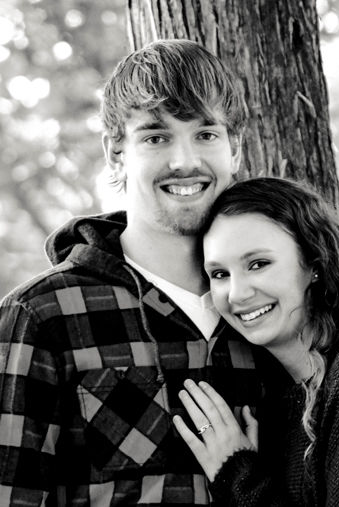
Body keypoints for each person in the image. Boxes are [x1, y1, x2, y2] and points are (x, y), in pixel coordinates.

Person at [0, 39, 262, 506]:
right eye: (156, 137)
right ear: (116, 153)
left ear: (235, 149)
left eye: (205, 134)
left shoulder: (272, 307)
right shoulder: (42, 315)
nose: (185, 161)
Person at [174, 177, 339, 506]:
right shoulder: (279, 390)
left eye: (258, 264)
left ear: (313, 263)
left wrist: (239, 475)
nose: (237, 294)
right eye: (220, 274)